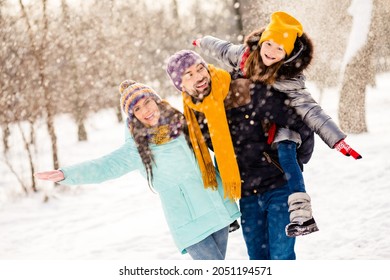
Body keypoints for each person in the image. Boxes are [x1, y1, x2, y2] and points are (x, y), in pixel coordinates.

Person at [192, 11, 362, 237]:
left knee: (286, 143)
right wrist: (202, 41)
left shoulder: (290, 79)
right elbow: (221, 48)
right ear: (262, 41)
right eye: (269, 44)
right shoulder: (242, 56)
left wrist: (337, 140)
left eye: (279, 48)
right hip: (247, 126)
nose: (271, 51)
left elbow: (311, 110)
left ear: (287, 54)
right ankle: (225, 209)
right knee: (225, 148)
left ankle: (301, 211)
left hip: (278, 125)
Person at [34, 80, 241, 260]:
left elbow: (219, 139)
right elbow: (105, 166)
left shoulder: (184, 122)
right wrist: (67, 174)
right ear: (133, 116)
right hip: (189, 221)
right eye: (137, 109)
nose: (146, 111)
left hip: (217, 207)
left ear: (156, 100)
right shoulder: (137, 147)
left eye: (147, 102)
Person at [166, 49, 315, 260]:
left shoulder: (243, 90)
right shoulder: (195, 113)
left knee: (281, 255)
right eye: (188, 74)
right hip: (246, 194)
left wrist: (298, 160)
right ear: (180, 85)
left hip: (278, 185)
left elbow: (296, 120)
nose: (199, 76)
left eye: (200, 68)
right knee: (257, 257)